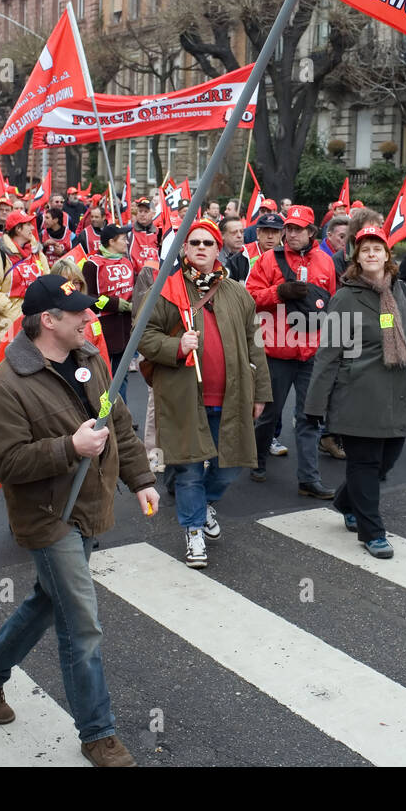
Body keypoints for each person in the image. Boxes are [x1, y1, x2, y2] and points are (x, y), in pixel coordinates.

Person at [0, 275, 156, 767]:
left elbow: (119, 424)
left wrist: (142, 479)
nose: (91, 319)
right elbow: (6, 464)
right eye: (79, 314)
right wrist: (68, 448)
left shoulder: (89, 359)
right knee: (81, 624)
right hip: (48, 519)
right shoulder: (5, 385)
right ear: (48, 321)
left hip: (88, 507)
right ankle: (98, 734)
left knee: (50, 602)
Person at [139, 218, 272, 568]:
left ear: (218, 249)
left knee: (231, 466)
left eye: (208, 243)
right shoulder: (167, 289)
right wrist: (176, 346)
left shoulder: (236, 292)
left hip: (231, 398)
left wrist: (260, 394)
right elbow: (145, 335)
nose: (200, 247)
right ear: (184, 248)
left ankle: (204, 504)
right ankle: (194, 530)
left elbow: (254, 345)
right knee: (189, 470)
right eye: (194, 242)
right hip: (184, 399)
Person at [305, 225, 406, 559]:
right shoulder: (345, 297)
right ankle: (372, 531)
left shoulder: (400, 291)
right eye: (365, 250)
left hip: (399, 394)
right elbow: (329, 352)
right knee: (365, 464)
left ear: (387, 255)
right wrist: (316, 404)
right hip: (358, 397)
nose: (372, 254)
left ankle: (347, 500)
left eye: (378, 248)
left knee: (384, 464)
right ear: (356, 258)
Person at [245, 205, 338, 495]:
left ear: (312, 232)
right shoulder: (268, 261)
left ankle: (308, 479)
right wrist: (279, 292)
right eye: (290, 228)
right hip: (276, 352)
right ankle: (257, 458)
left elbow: (332, 301)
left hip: (312, 353)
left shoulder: (325, 261)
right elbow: (249, 297)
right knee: (269, 415)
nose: (293, 233)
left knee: (309, 416)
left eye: (299, 229)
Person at [0, 210, 50, 352]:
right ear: (18, 229)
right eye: (28, 224)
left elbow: (47, 281)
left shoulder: (38, 255)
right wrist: (11, 310)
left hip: (37, 323)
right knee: (7, 369)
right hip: (9, 324)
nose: (32, 228)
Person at [82, 224, 136, 384]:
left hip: (125, 329)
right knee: (103, 379)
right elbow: (87, 297)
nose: (127, 242)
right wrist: (115, 304)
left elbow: (134, 289)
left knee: (122, 378)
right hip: (103, 330)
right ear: (112, 241)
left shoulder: (127, 262)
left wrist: (134, 303)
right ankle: (105, 409)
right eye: (123, 239)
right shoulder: (92, 264)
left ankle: (120, 409)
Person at [217, 214, 250, 282]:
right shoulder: (215, 257)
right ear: (222, 235)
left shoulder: (249, 255)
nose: (239, 236)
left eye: (242, 232)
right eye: (234, 232)